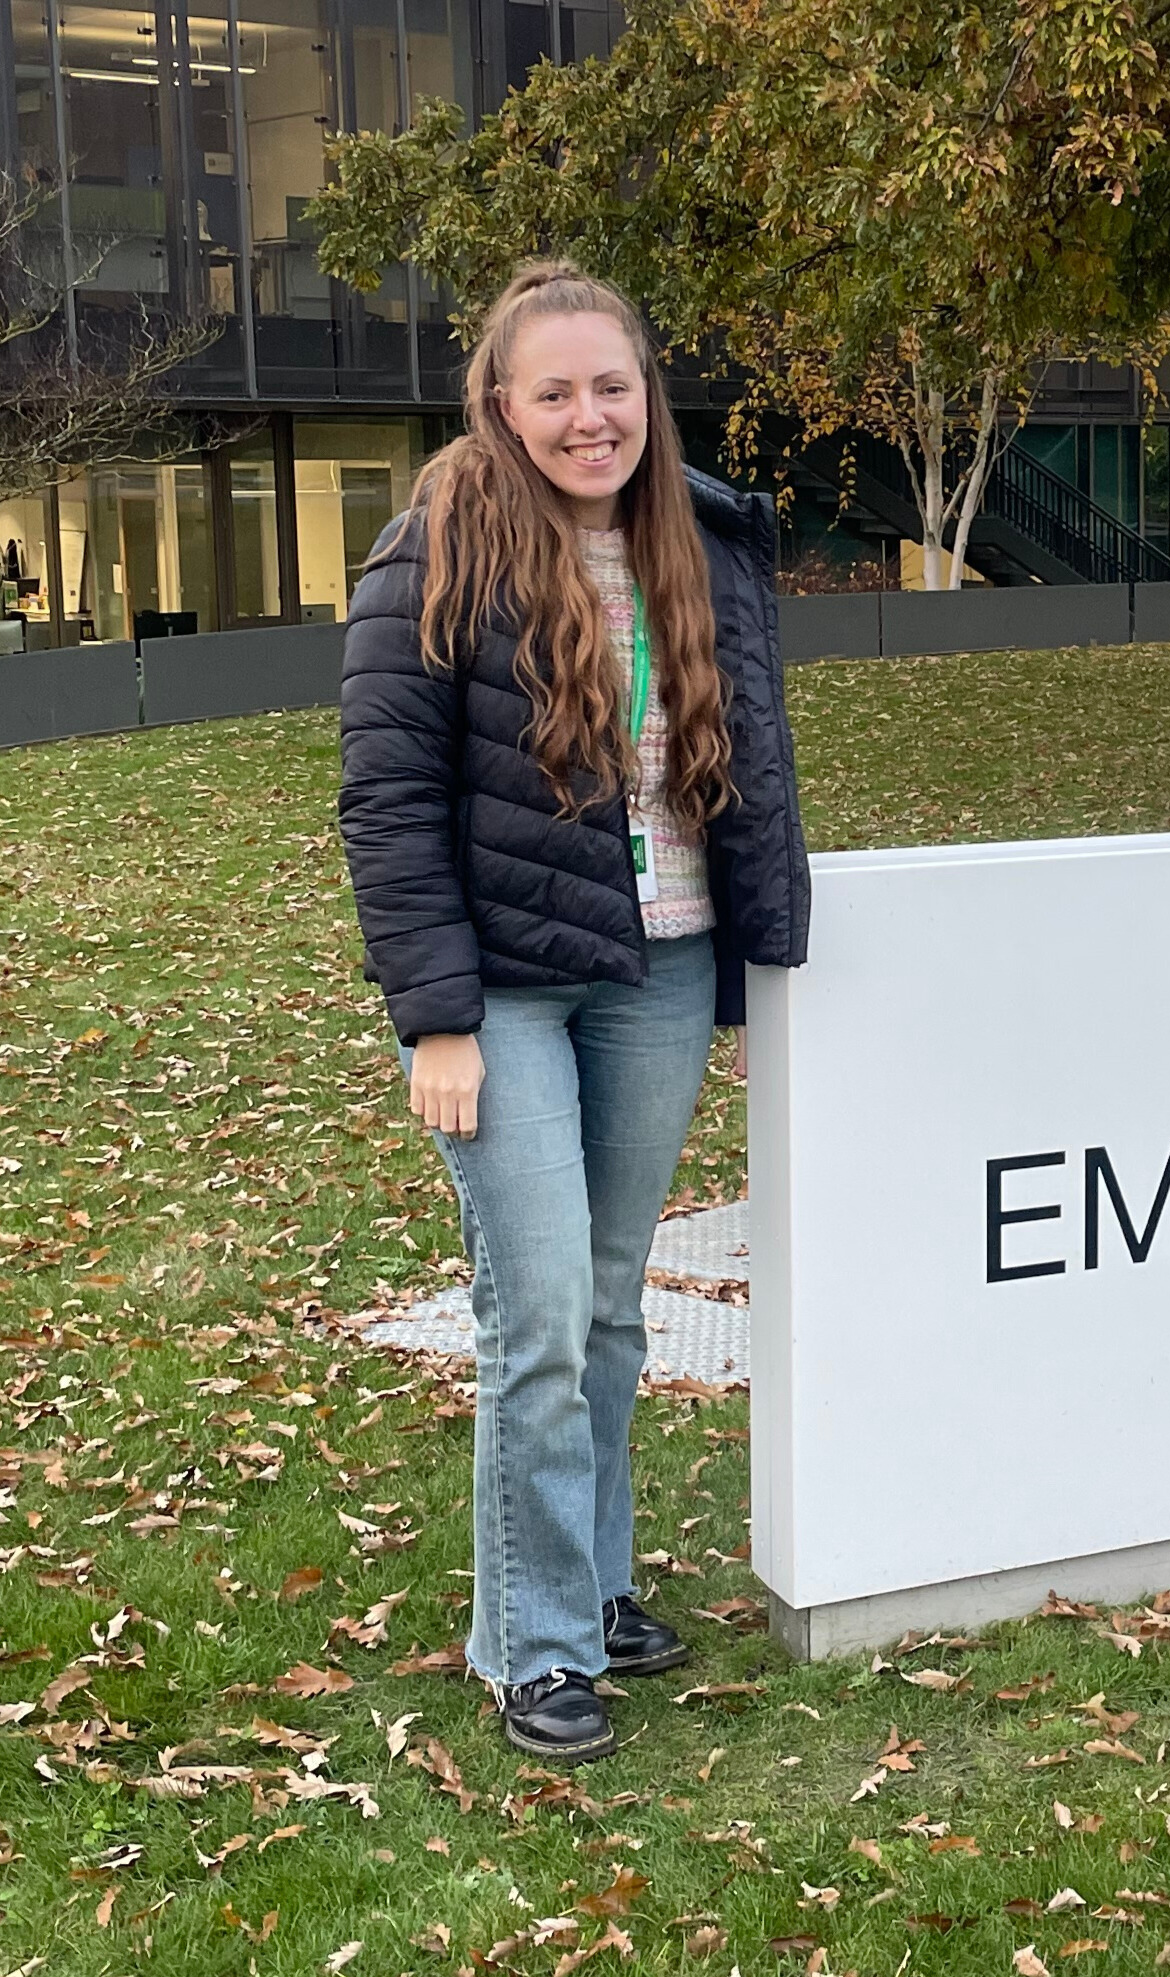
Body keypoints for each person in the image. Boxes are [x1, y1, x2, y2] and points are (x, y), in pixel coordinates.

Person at [338, 262, 809, 1764]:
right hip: (503, 991)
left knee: (613, 1305)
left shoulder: (707, 536)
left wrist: (766, 938)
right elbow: (388, 802)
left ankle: (596, 1583)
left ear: (645, 395)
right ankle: (530, 1642)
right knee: (534, 1316)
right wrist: (438, 1017)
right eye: (553, 390)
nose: (587, 416)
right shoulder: (437, 552)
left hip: (656, 968)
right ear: (501, 401)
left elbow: (746, 759)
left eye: (612, 386)